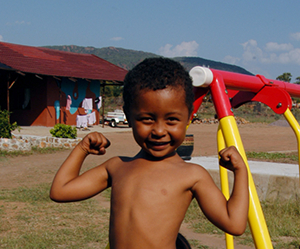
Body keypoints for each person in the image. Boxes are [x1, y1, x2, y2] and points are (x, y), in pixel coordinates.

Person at [50, 57, 249, 249]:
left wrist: (241, 171)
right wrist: (82, 149)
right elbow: (60, 191)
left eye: (171, 120)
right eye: (147, 119)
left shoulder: (193, 175)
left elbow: (234, 224)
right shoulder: (117, 166)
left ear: (188, 116)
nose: (159, 131)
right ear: (128, 116)